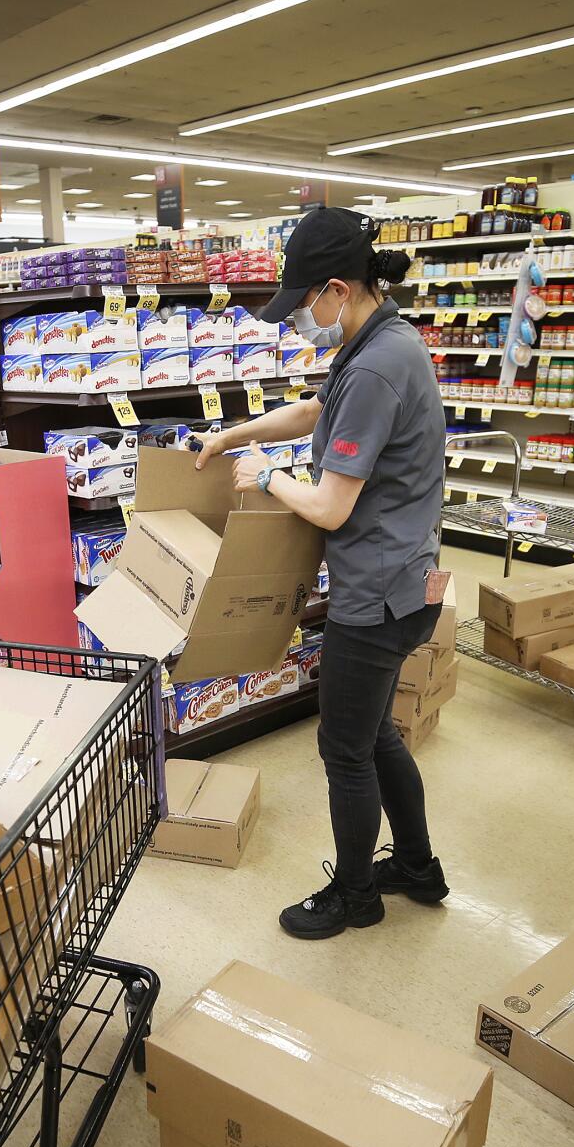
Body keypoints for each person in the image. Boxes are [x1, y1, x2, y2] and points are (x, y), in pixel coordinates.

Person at [195, 207, 447, 940]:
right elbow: (319, 410)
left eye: (305, 302)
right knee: (377, 736)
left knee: (345, 747)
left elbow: (331, 508)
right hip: (411, 579)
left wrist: (266, 477)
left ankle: (356, 894)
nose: (302, 317)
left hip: (377, 591)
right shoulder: (385, 338)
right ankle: (419, 867)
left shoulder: (375, 364)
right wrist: (238, 431)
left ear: (338, 288)